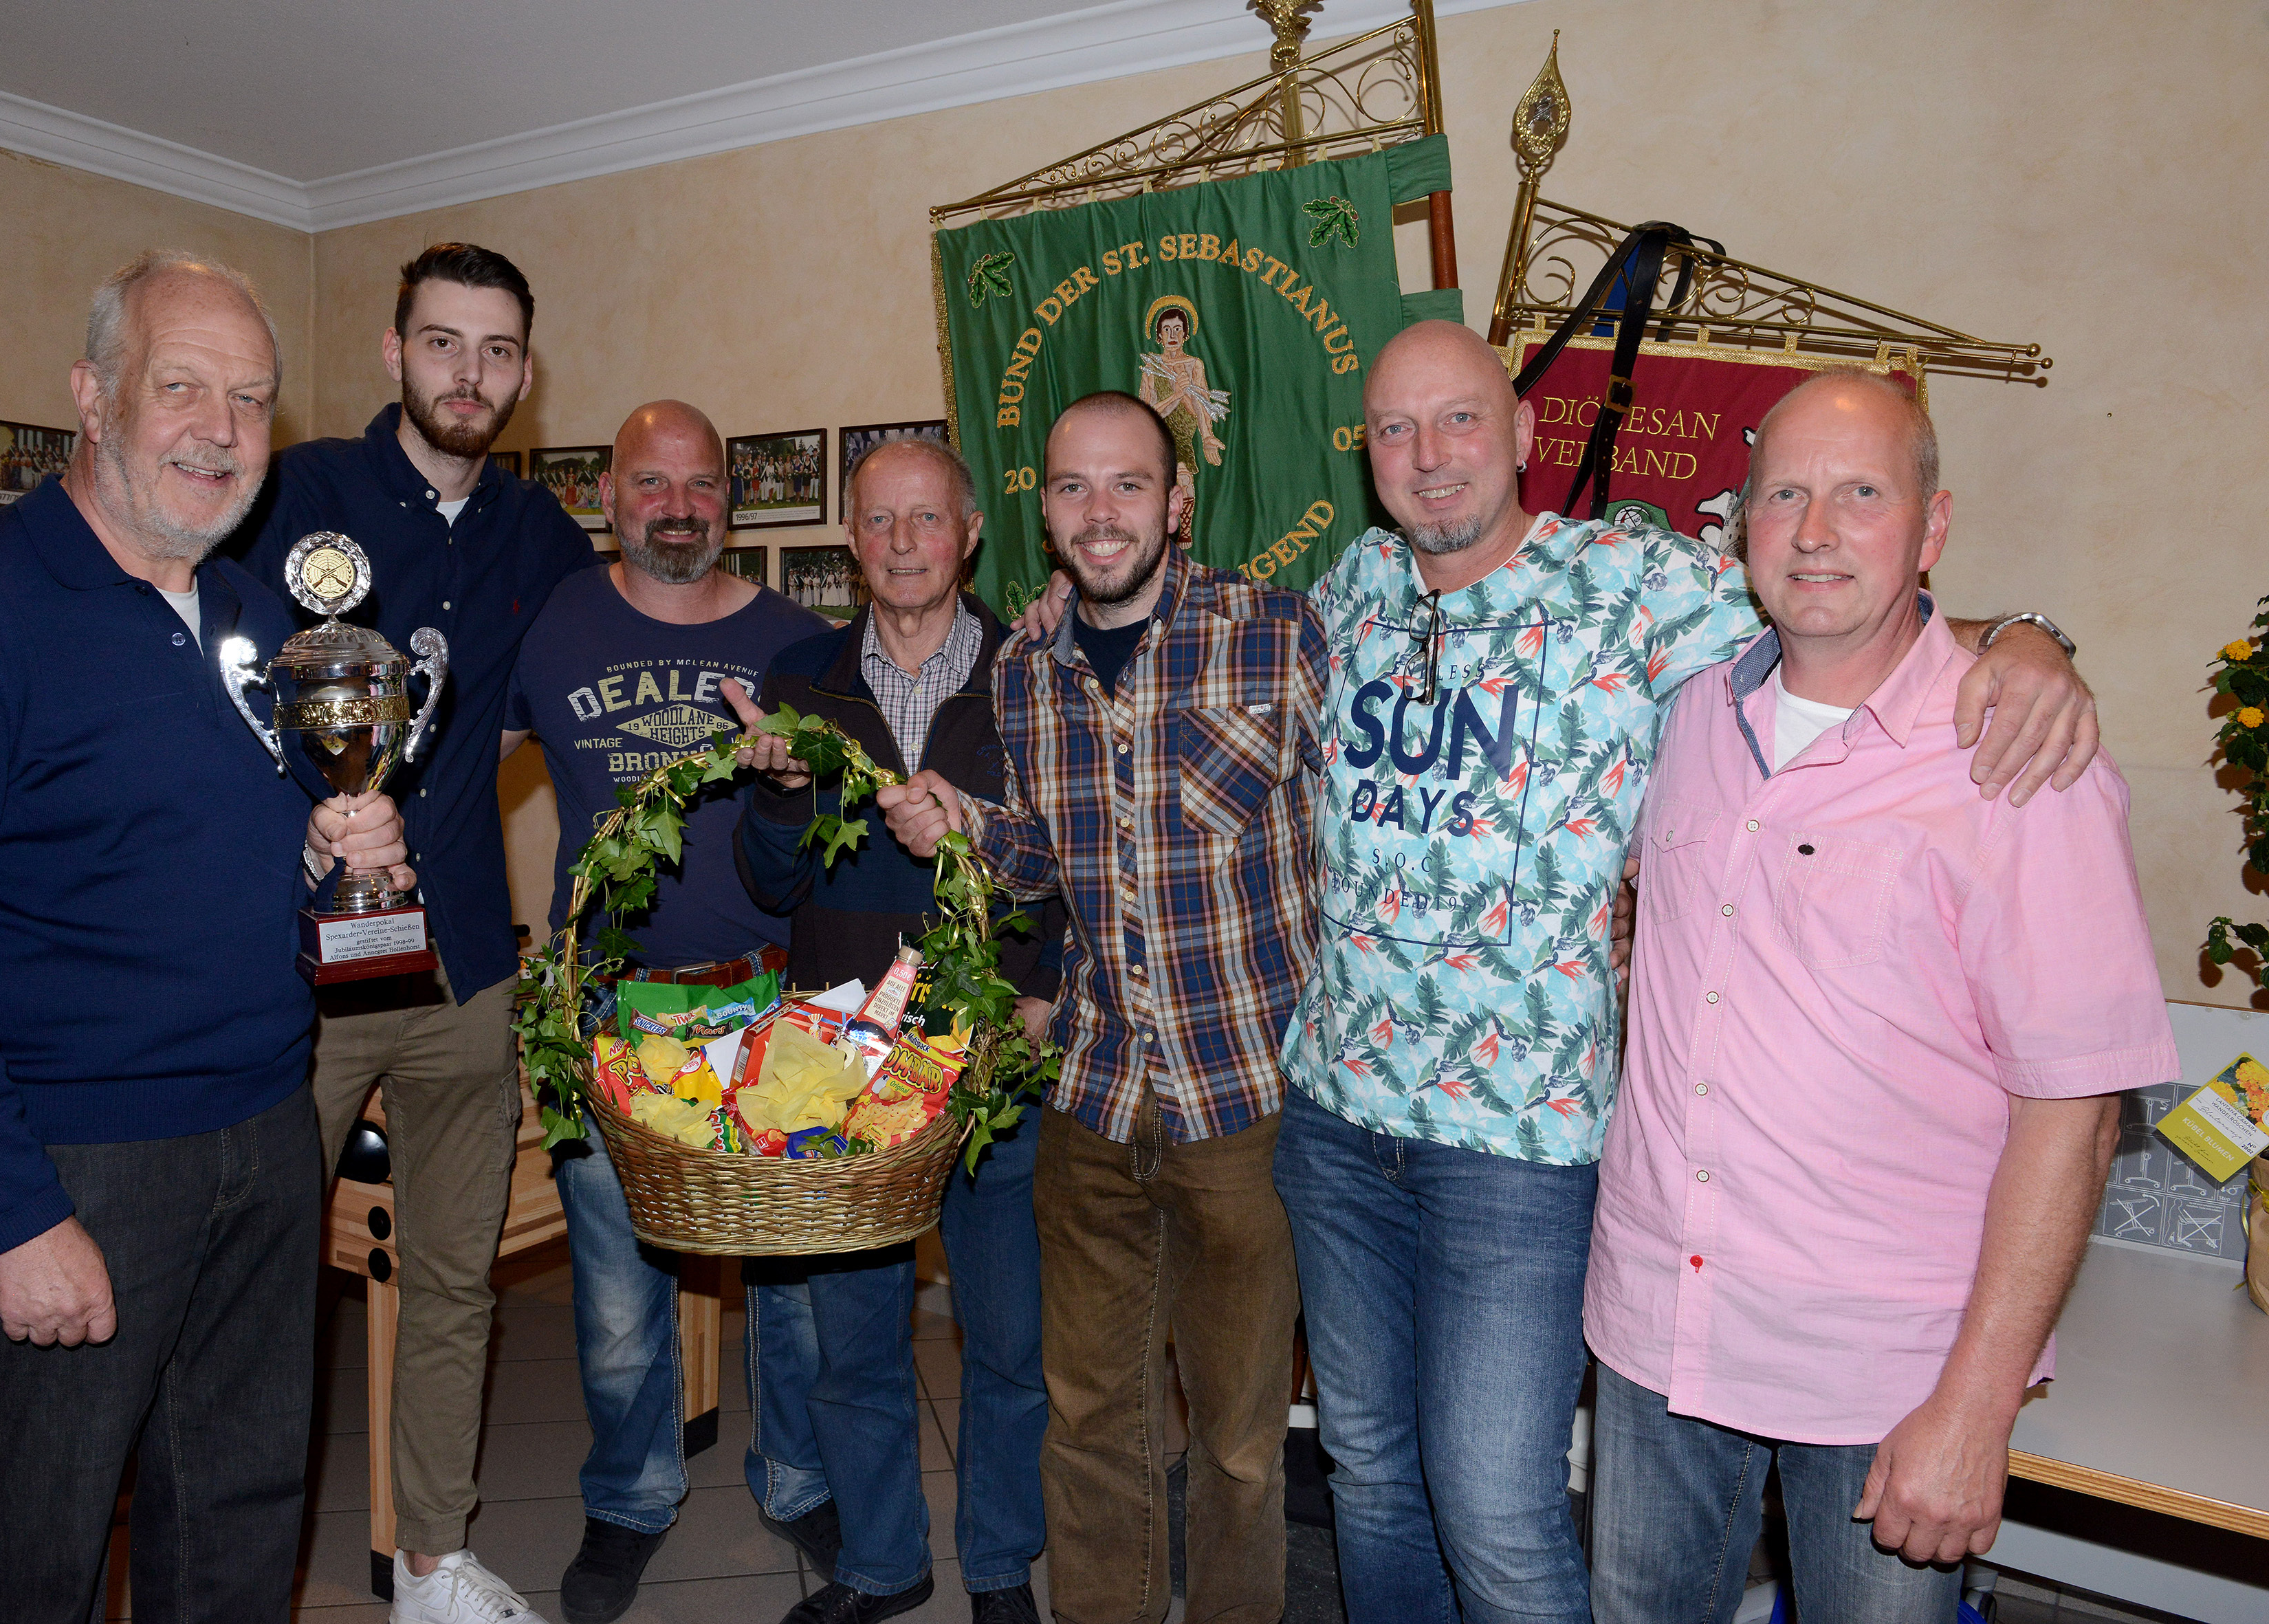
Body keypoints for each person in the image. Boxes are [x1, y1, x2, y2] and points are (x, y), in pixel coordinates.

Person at [1011, 320, 2101, 1623]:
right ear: (1368, 457)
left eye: (1461, 419)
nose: (1430, 455)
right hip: (1335, 1123)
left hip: (1520, 1149)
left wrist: (2023, 640)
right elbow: (1170, 642)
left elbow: (1838, 608)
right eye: (1397, 429)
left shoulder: (1634, 580)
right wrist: (1065, 606)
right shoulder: (1351, 589)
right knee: (1369, 1476)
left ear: (1524, 433)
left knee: (1495, 1506)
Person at [0, 250, 412, 1623]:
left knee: (238, 1524)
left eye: (252, 399)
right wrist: (18, 1215)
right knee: (36, 1549)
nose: (222, 428)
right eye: (182, 387)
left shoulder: (259, 615)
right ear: (93, 397)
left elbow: (223, 859)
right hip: (73, 1162)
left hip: (268, 1132)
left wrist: (330, 860)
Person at [1583, 371, 2173, 1618]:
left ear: (1933, 525)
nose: (1815, 531)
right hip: (1661, 1325)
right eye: (1783, 495)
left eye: (1861, 494)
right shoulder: (1685, 713)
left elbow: (2075, 1115)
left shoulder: (2022, 765)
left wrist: (1978, 1404)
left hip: (1887, 1375)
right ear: (1739, 522)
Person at [881, 391, 1322, 1624]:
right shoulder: (1025, 669)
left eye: (1129, 483)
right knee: (1088, 1420)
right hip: (1092, 1097)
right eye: (1074, 486)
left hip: (1245, 1104)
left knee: (1240, 1436)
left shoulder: (1280, 634)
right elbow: (1044, 855)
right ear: (1044, 512)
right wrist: (966, 826)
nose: (1101, 511)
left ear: (1177, 502)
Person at [234, 242, 596, 1624]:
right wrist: (308, 827)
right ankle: (233, 1563)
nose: (470, 374)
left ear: (524, 369)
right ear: (395, 351)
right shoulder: (294, 493)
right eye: (444, 342)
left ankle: (432, 1563)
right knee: (257, 1282)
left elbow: (584, 679)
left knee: (454, 1282)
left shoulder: (541, 535)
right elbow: (209, 685)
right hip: (299, 970)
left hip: (465, 972)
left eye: (498, 351)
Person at [501, 400, 837, 1624]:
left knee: (791, 1276)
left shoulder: (799, 641)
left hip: (772, 999)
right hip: (606, 1005)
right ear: (609, 497)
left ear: (729, 501)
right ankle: (632, 1496)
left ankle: (799, 1475)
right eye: (653, 482)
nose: (679, 507)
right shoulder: (552, 623)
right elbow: (455, 777)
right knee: (616, 1285)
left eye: (701, 485)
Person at [727, 437, 1067, 1624]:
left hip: (991, 1062)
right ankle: (882, 1560)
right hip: (840, 1070)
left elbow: (1077, 857)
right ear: (851, 540)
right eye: (879, 521)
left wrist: (1045, 986)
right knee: (855, 1343)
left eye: (927, 519)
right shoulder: (800, 676)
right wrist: (779, 796)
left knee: (1008, 1342)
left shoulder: (1035, 672)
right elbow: (771, 882)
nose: (903, 542)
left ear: (969, 533)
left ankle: (1000, 1563)